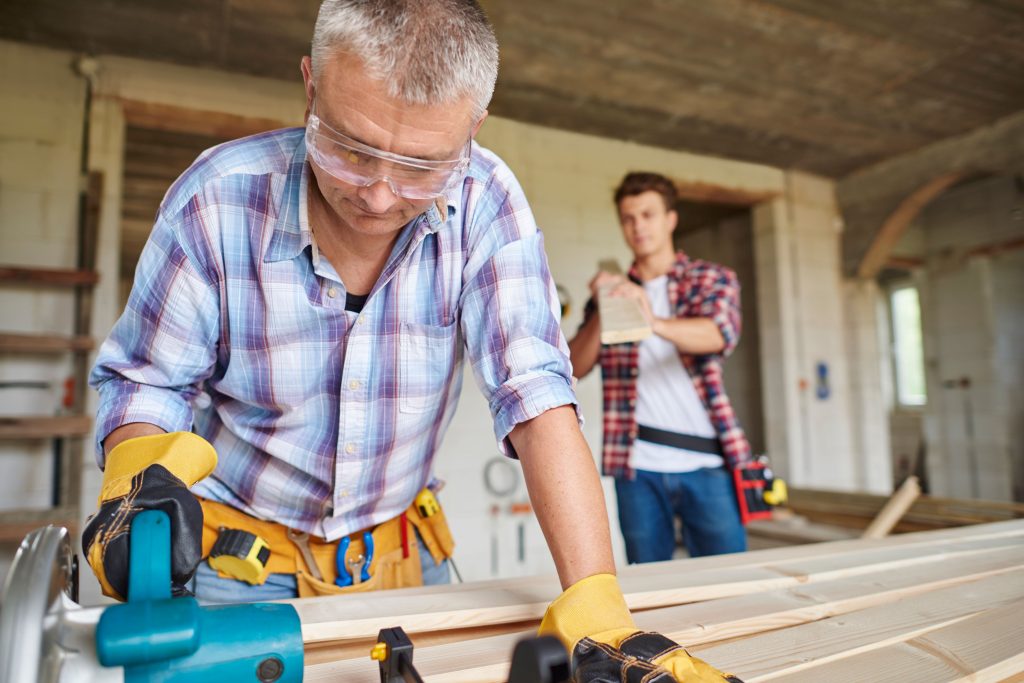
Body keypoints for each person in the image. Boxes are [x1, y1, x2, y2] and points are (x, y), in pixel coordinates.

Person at [83, 2, 741, 680]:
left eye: (422, 167)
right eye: (349, 149)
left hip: (398, 557)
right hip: (230, 564)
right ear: (311, 86)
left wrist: (598, 606)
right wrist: (135, 471)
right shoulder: (217, 198)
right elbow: (147, 380)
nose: (377, 195)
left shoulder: (487, 200)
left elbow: (538, 395)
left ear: (471, 127)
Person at [568, 172, 750, 563]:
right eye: (629, 218)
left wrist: (652, 321)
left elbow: (719, 334)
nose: (638, 227)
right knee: (648, 584)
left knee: (730, 578)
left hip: (707, 462)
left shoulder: (710, 278)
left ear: (670, 219)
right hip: (636, 465)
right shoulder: (614, 292)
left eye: (648, 215)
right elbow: (573, 368)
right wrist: (605, 306)